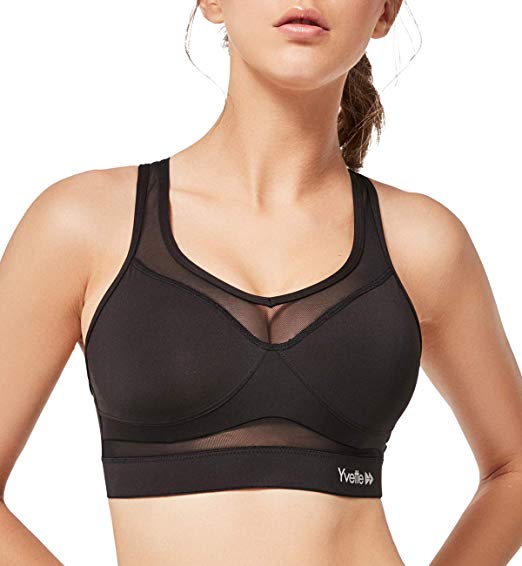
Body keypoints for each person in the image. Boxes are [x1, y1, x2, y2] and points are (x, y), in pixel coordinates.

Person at [1, 1, 521, 565]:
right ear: (212, 2)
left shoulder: (422, 242)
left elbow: (513, 468)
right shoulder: (84, 224)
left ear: (384, 12)